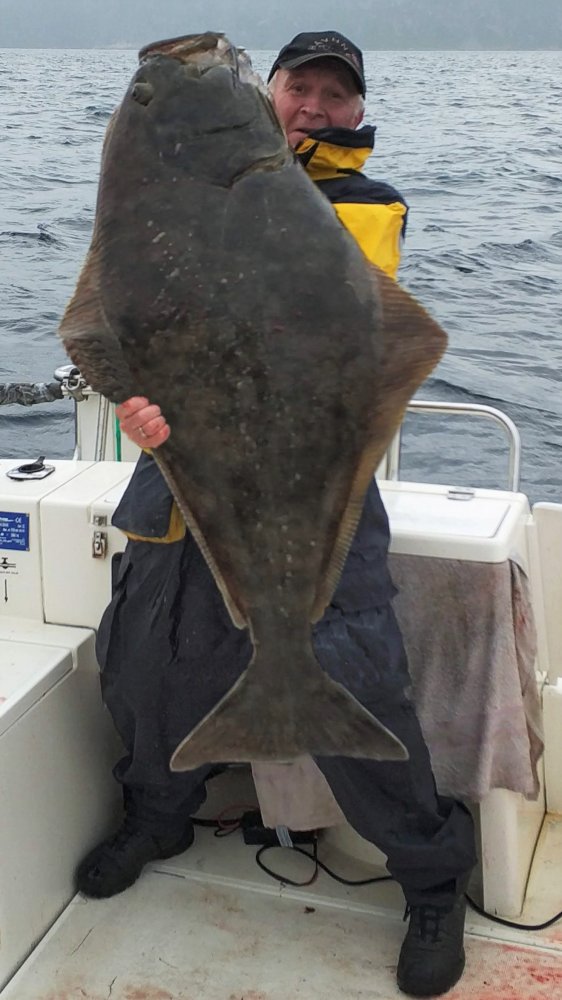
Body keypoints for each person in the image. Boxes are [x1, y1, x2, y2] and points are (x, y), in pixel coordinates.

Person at [77, 31, 477, 997]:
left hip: (315, 472)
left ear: (357, 113)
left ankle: (430, 878)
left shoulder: (362, 202)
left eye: (337, 96)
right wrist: (133, 397)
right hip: (185, 465)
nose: (315, 107)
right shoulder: (167, 191)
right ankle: (158, 815)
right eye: (301, 87)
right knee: (151, 662)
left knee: (357, 672)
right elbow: (124, 305)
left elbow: (343, 321)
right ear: (270, 93)